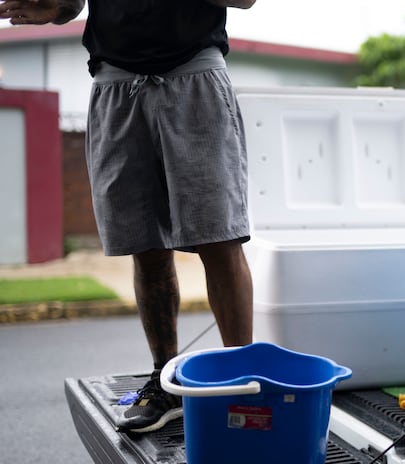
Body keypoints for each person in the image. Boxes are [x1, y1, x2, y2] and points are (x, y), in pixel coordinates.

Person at [0, 0, 257, 433]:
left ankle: (243, 386)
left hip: (194, 76)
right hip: (115, 84)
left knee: (220, 240)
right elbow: (73, 5)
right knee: (145, 245)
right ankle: (164, 382)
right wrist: (57, 6)